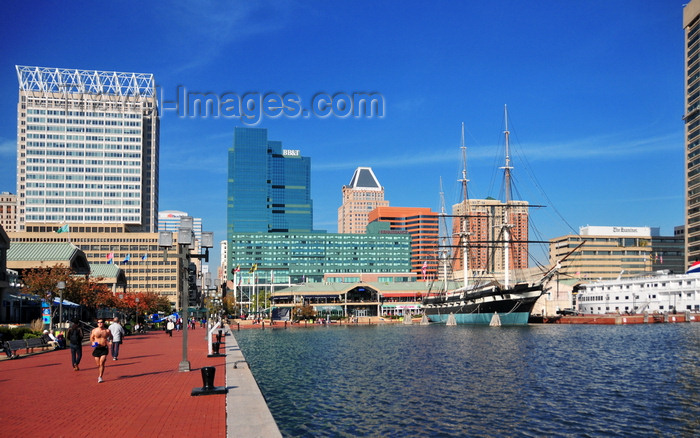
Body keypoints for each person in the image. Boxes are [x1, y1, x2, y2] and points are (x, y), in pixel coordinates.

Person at [90, 319, 112, 383]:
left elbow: (111, 336)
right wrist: (93, 343)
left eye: (101, 322)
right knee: (98, 364)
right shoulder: (94, 330)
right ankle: (100, 374)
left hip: (104, 348)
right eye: (98, 322)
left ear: (103, 323)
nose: (100, 323)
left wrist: (110, 341)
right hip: (97, 348)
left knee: (101, 363)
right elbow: (91, 338)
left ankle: (100, 377)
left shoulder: (107, 331)